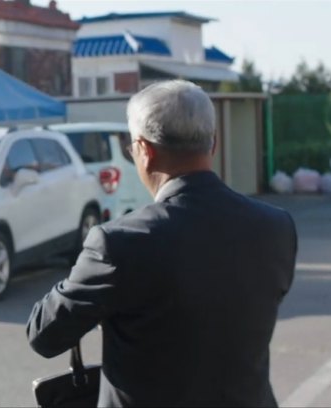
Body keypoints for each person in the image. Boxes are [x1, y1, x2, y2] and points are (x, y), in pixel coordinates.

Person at [26, 80, 297, 407]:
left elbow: (44, 335)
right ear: (213, 145)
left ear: (145, 151)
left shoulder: (117, 243)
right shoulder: (276, 227)